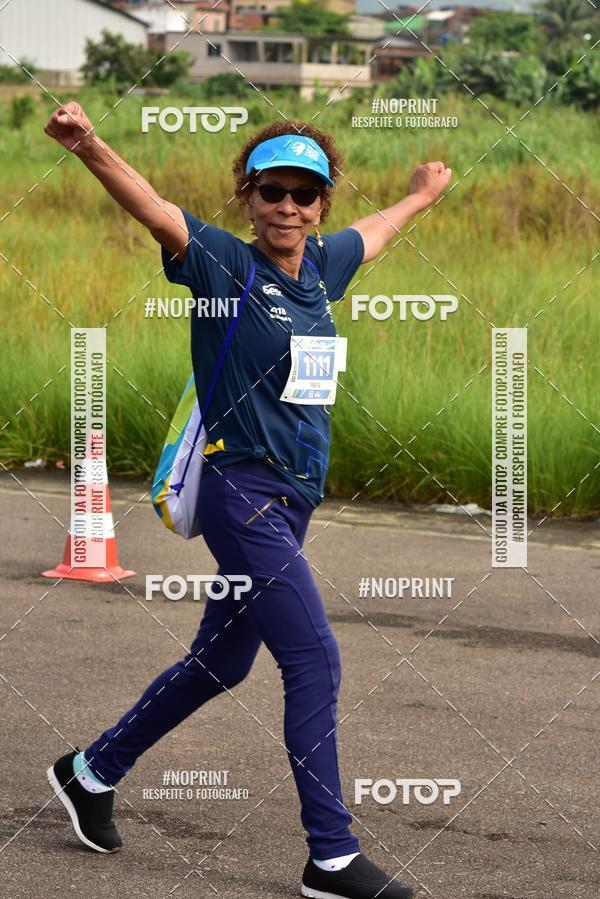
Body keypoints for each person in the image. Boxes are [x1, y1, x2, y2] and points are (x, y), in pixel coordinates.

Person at [43, 101, 451, 899]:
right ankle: (330, 856)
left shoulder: (324, 265)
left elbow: (378, 231)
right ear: (248, 198)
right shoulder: (225, 265)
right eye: (273, 193)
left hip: (294, 499)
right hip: (242, 491)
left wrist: (422, 195)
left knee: (221, 660)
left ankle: (90, 771)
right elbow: (154, 207)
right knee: (313, 657)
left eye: (305, 193)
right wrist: (89, 145)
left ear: (322, 200)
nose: (288, 207)